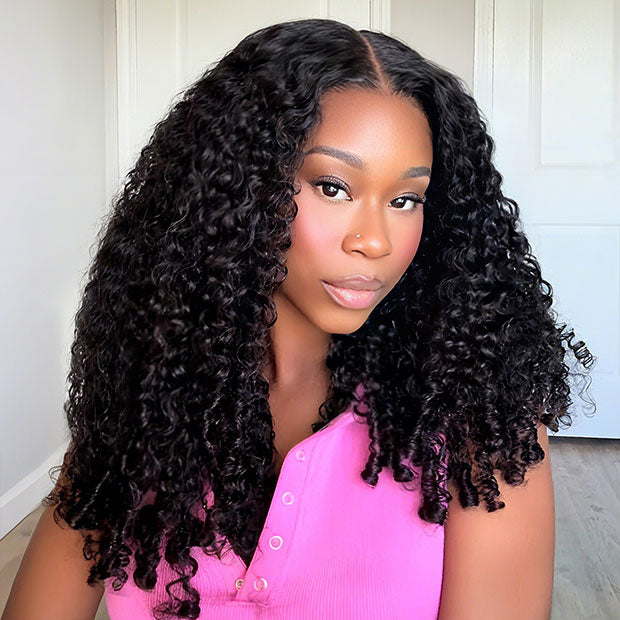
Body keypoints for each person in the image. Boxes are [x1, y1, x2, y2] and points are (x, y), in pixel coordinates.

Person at [2, 17, 595, 620]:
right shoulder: (152, 398)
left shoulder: (481, 418)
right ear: (238, 187)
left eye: (405, 199)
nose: (375, 241)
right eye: (333, 187)